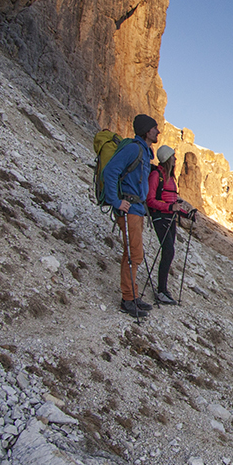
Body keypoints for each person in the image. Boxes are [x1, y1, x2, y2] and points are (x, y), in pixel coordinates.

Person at [102, 114, 159, 317]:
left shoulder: (144, 152)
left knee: (134, 254)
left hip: (137, 210)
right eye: (154, 128)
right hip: (129, 210)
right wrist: (116, 201)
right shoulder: (133, 148)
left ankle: (133, 295)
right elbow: (109, 172)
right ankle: (128, 299)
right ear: (146, 130)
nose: (157, 131)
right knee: (133, 255)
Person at [146, 144, 192, 305]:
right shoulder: (156, 176)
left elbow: (173, 202)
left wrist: (187, 215)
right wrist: (168, 207)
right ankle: (161, 291)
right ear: (166, 158)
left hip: (170, 219)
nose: (175, 158)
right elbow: (150, 200)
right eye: (173, 156)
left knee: (169, 253)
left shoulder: (170, 177)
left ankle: (163, 290)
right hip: (160, 218)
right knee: (168, 251)